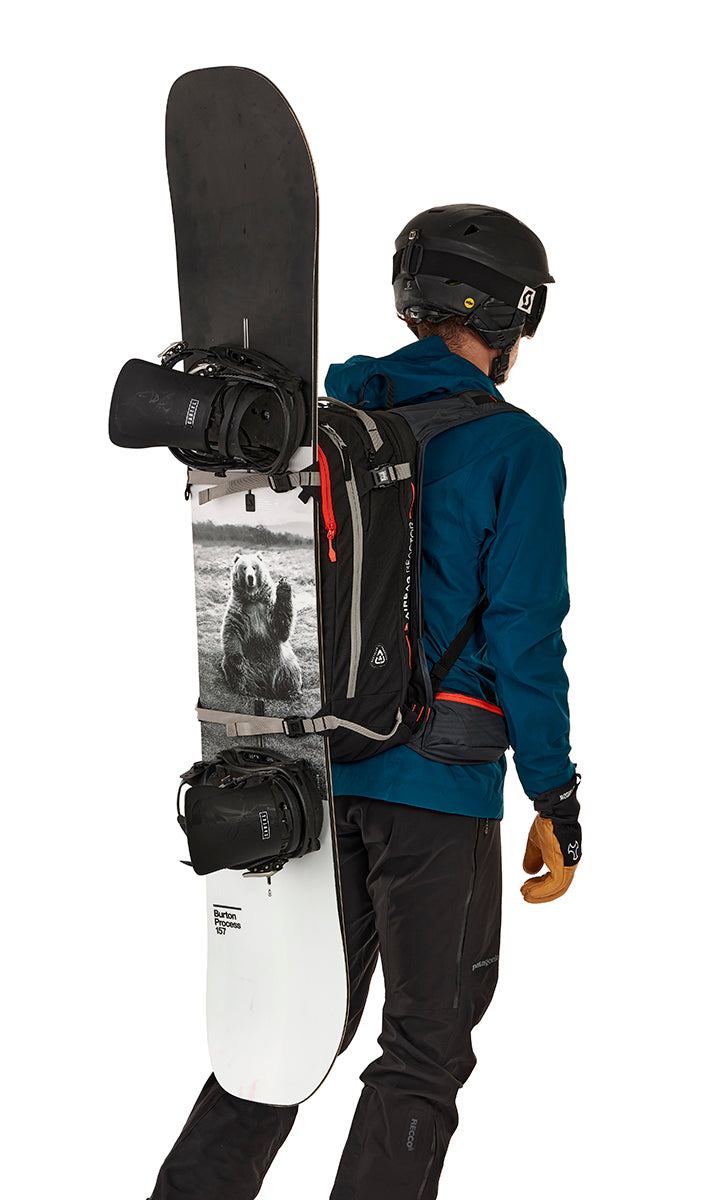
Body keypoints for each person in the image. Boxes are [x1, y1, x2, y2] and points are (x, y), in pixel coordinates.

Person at [148, 204, 581, 1200]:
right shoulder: (516, 450)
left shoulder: (319, 425)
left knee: (285, 1033)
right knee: (424, 1050)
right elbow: (526, 637)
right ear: (507, 319)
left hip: (310, 775)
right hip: (439, 787)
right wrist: (554, 795)